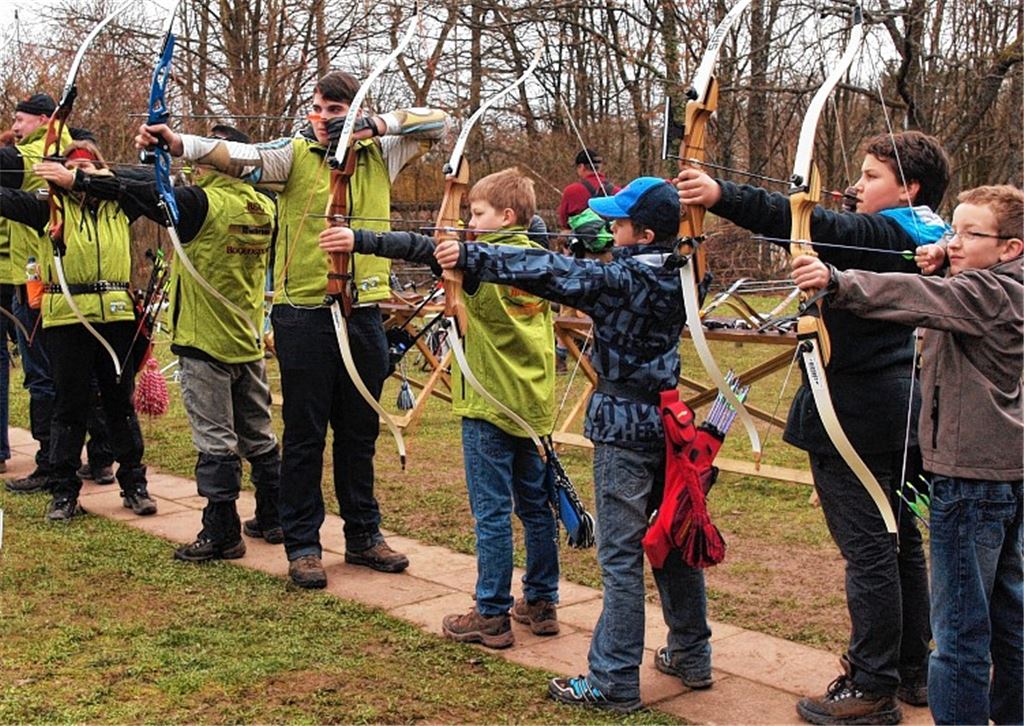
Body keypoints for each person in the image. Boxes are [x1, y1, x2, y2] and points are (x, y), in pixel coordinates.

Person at [676, 130, 950, 724]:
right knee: (898, 542)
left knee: (872, 550)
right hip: (895, 412)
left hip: (854, 416)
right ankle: (912, 670)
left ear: (909, 188)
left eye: (872, 176)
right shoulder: (932, 235)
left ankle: (872, 685)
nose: (858, 185)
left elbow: (810, 221)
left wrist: (721, 193)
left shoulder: (891, 233)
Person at [134, 71, 448, 588]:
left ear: (354, 111)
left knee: (359, 433)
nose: (322, 118)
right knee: (304, 436)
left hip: (364, 312)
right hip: (304, 315)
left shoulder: (380, 153)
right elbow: (238, 156)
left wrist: (372, 125)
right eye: (317, 108)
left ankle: (364, 535)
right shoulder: (292, 155)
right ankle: (303, 545)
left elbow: (435, 122)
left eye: (334, 109)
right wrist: (178, 142)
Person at [433, 176, 712, 713]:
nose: (611, 229)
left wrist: (472, 256)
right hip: (669, 423)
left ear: (644, 233)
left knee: (621, 556)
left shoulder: (624, 280)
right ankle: (691, 655)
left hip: (624, 428)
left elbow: (549, 270)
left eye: (621, 224)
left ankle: (612, 680)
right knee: (673, 541)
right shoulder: (686, 272)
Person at [791, 184, 1023, 726]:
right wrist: (947, 258)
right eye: (953, 229)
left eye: (971, 234)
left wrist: (837, 281)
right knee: (1009, 619)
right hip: (1004, 474)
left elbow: (918, 299)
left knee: (960, 633)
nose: (955, 241)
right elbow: (950, 291)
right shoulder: (1003, 286)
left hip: (969, 482)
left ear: (1010, 247)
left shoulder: (985, 294)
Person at [320, 168, 560, 648]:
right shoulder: (542, 262)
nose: (467, 222)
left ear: (506, 216)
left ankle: (491, 613)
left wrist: (357, 238)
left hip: (490, 406)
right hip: (533, 409)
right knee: (536, 509)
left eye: (476, 213)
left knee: (492, 512)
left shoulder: (475, 265)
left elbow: (415, 245)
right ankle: (541, 601)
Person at [114, 123, 282, 561]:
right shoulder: (265, 205)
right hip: (246, 336)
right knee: (259, 434)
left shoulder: (200, 203)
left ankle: (222, 530)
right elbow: (156, 191)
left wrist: (83, 178)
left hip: (204, 339)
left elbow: (140, 194)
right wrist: (154, 162)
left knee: (215, 440)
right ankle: (273, 515)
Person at [0, 140, 156, 521]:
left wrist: (85, 180)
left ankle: (134, 484)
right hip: (68, 318)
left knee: (120, 403)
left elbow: (153, 179)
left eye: (88, 167)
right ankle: (64, 492)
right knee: (69, 405)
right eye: (73, 167)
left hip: (116, 317)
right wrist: (63, 184)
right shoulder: (47, 207)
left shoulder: (122, 202)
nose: (80, 174)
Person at [2, 95, 112, 494]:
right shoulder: (73, 148)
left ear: (46, 120)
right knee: (81, 375)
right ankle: (100, 458)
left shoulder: (43, 154)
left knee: (44, 378)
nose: (14, 126)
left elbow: (9, 166)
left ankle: (52, 461)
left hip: (43, 285)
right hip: (46, 281)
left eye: (21, 119)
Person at [556, 148, 619, 230]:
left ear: (581, 167)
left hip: (581, 241)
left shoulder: (571, 191)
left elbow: (563, 222)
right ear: (600, 167)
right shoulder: (618, 192)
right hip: (613, 240)